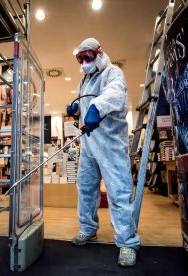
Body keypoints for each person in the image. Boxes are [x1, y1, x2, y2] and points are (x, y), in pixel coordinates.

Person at [66, 38, 140, 267]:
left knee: (118, 191)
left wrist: (97, 108)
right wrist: (76, 108)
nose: (84, 62)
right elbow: (85, 104)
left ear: (99, 53)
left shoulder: (112, 72)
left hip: (110, 143)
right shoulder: (84, 80)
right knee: (86, 188)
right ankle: (88, 229)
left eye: (87, 56)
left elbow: (115, 95)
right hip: (89, 143)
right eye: (80, 58)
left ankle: (127, 242)